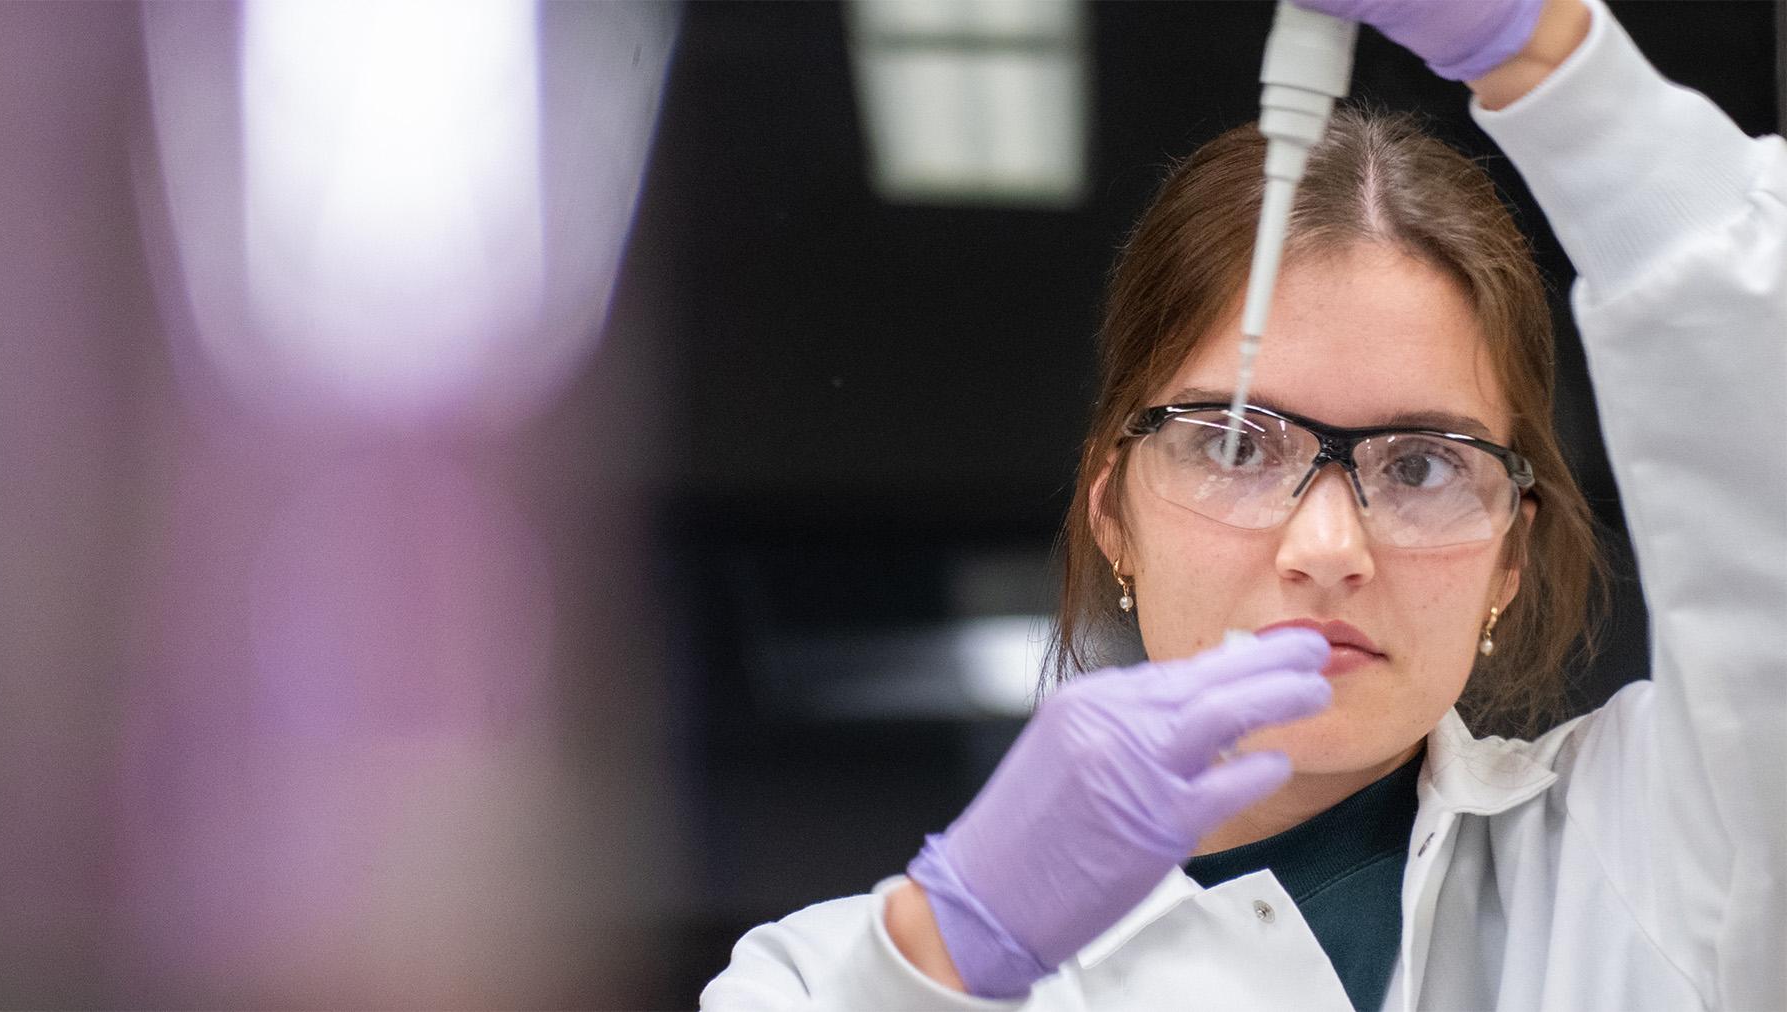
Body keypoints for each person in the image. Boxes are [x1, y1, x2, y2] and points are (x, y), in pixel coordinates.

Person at [702, 0, 1786, 1007]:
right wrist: (946, 955)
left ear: (1511, 551)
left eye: (1421, 466)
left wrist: (1557, 60)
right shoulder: (817, 978)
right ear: (1112, 515)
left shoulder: (1664, 845)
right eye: (1234, 444)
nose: (1328, 547)